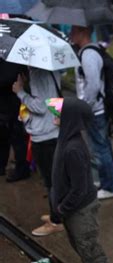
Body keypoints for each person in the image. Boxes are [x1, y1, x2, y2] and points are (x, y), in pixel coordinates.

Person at [46, 97, 108, 263]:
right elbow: (49, 102)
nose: (54, 113)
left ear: (70, 118)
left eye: (59, 112)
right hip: (72, 210)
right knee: (81, 248)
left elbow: (79, 188)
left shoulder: (73, 149)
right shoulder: (65, 138)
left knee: (90, 252)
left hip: (80, 212)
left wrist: (62, 208)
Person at [12, 68, 64, 236]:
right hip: (53, 130)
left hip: (44, 135)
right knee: (56, 179)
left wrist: (20, 92)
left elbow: (40, 107)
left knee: (51, 182)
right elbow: (54, 99)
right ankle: (58, 214)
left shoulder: (36, 73)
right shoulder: (51, 68)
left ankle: (57, 221)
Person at [70, 26, 113, 200]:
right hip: (96, 108)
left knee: (100, 149)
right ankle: (107, 180)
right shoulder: (90, 51)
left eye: (74, 31)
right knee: (101, 146)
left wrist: (85, 107)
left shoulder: (89, 55)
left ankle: (109, 186)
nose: (70, 34)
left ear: (84, 32)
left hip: (94, 110)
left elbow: (93, 86)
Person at [0, 60, 30, 182]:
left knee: (18, 138)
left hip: (16, 104)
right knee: (3, 137)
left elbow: (11, 77)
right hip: (5, 104)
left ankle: (22, 169)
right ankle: (2, 165)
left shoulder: (14, 58)